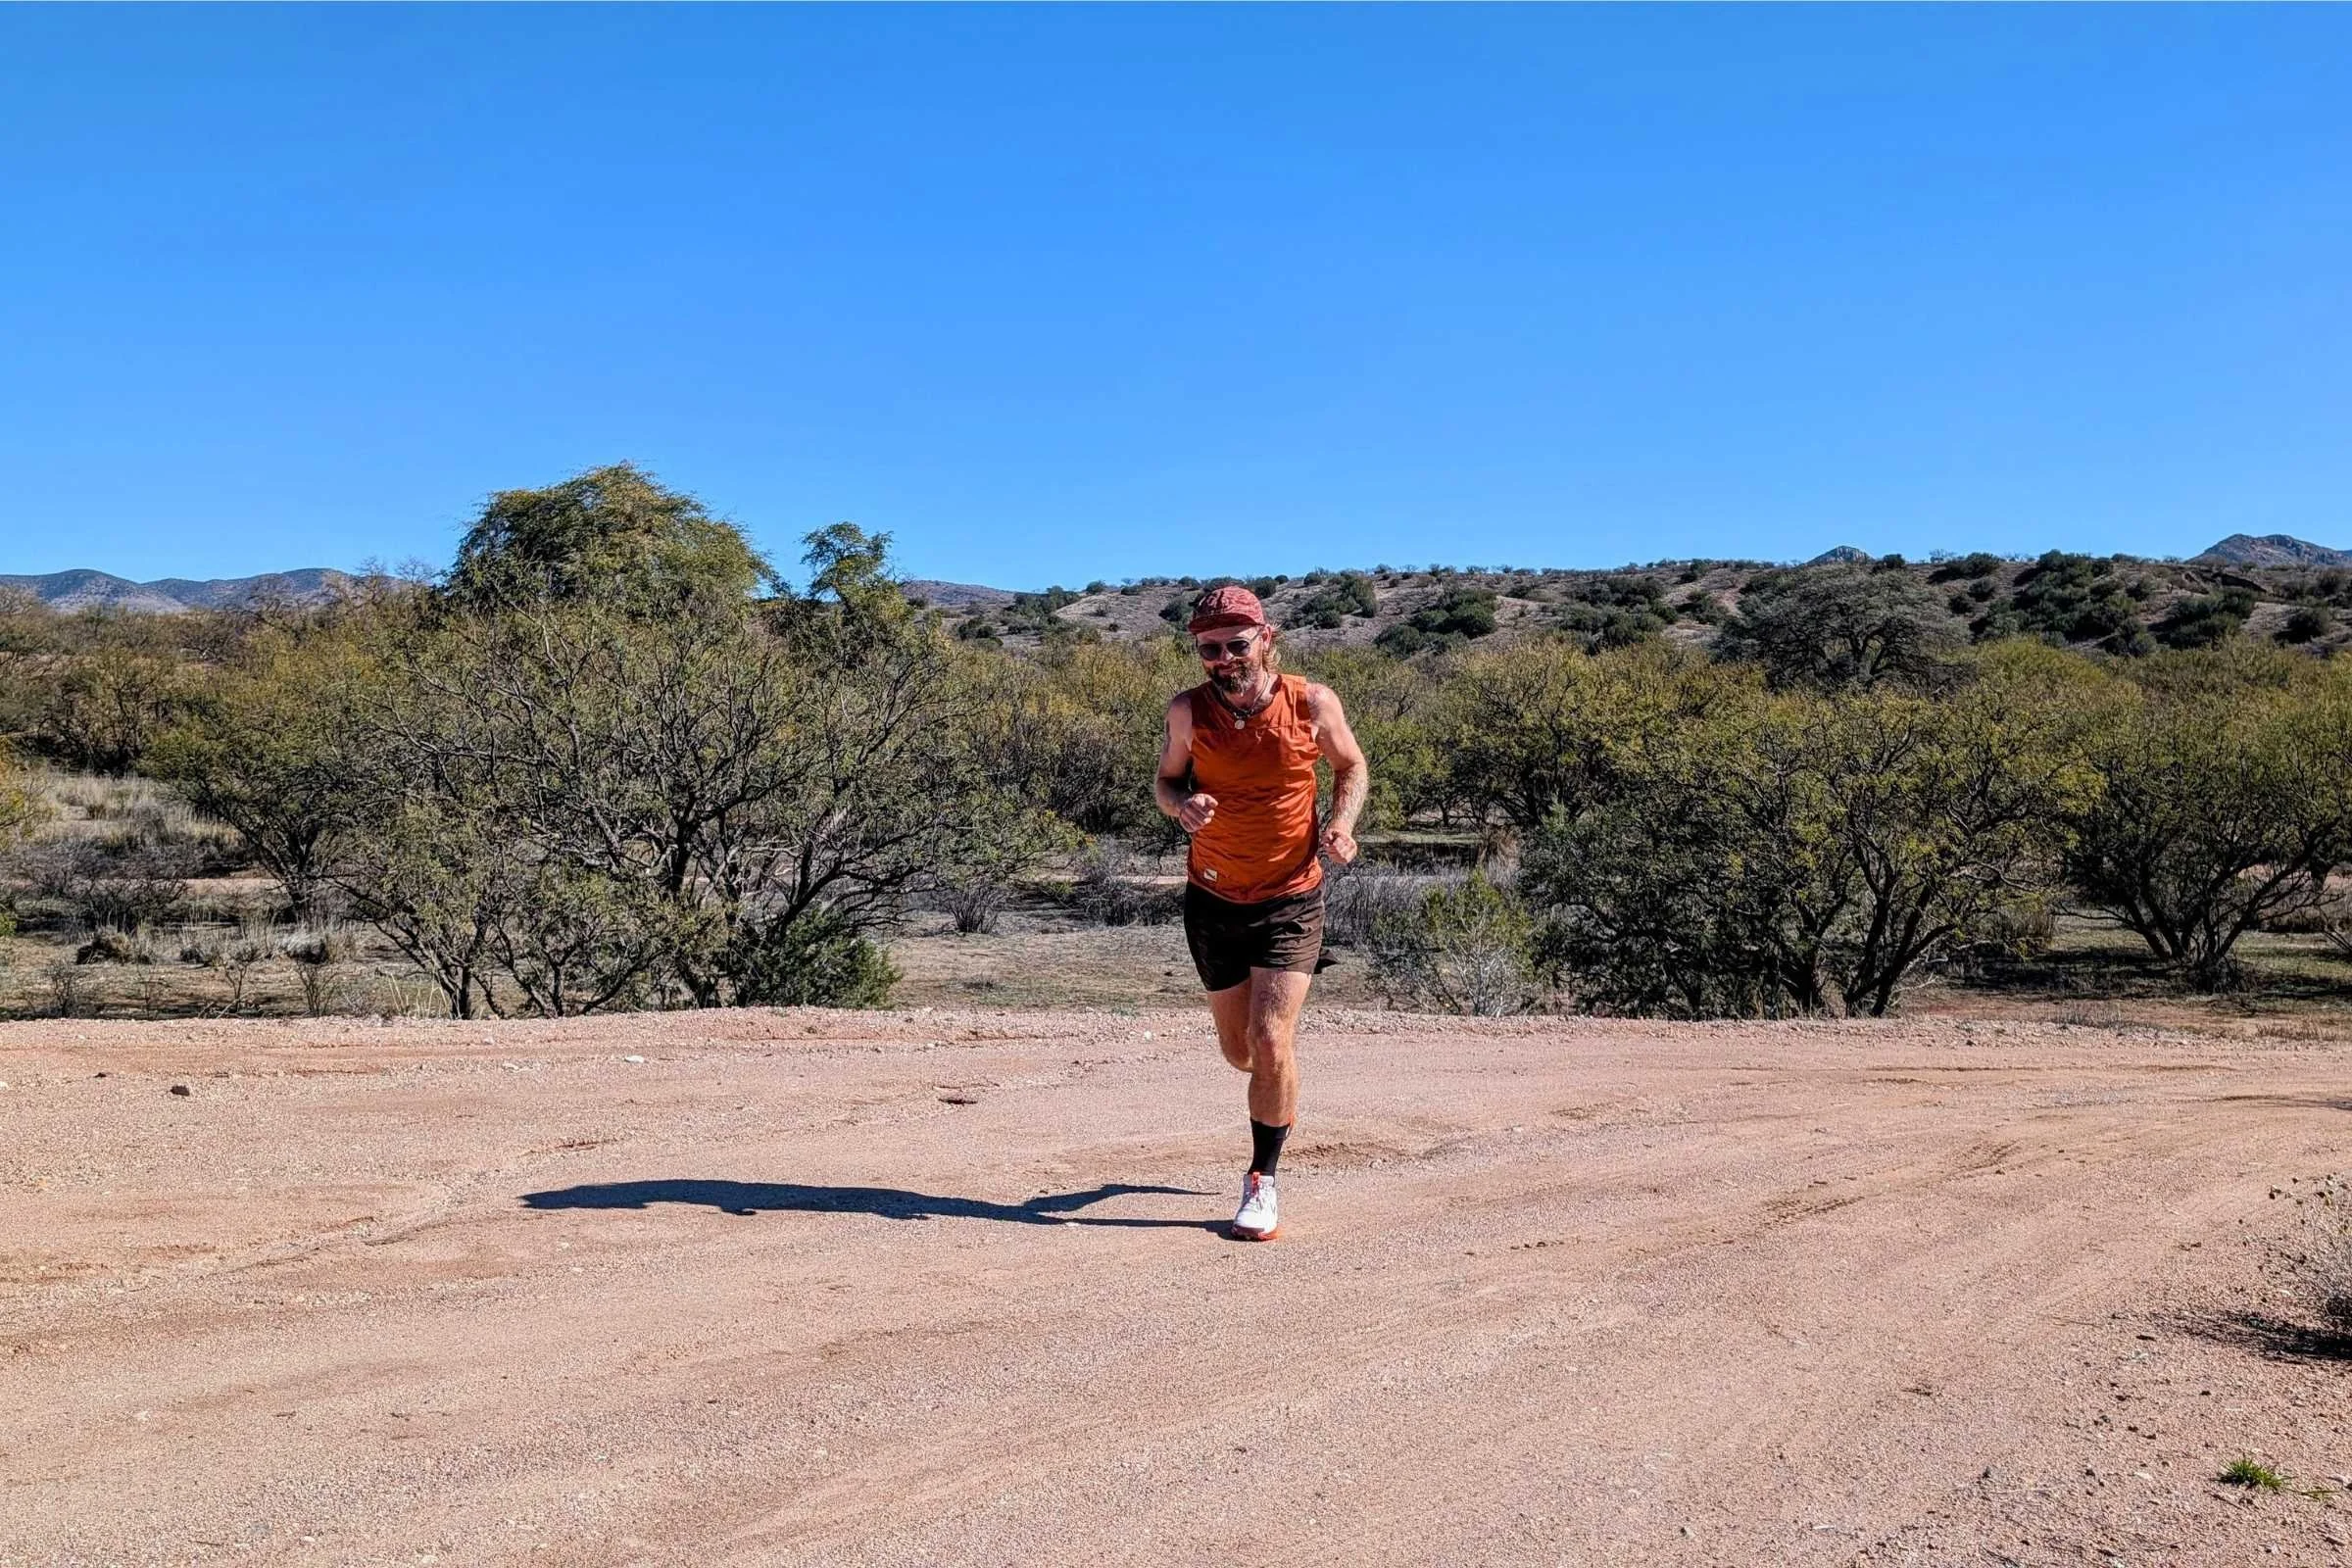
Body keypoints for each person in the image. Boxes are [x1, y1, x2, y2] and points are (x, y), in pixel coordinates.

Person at [1153, 584, 1369, 1241]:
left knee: (1272, 1039)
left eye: (1236, 645)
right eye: (1209, 649)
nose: (1224, 659)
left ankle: (1261, 1180)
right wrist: (1181, 806)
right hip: (1213, 897)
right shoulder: (1188, 711)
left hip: (1290, 895)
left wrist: (1341, 825)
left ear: (1266, 638)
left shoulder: (1311, 702)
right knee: (1241, 1052)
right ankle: (1275, 1079)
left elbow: (1352, 766)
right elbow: (1166, 781)